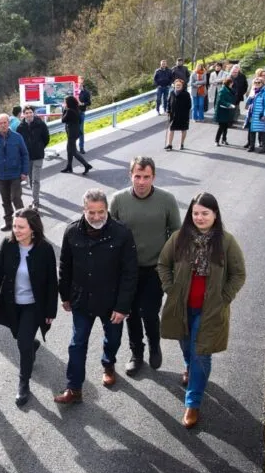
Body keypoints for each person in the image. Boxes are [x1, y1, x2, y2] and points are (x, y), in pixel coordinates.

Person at [157, 192, 246, 429]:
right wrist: (170, 288)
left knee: (200, 352)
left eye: (205, 213)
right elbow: (163, 264)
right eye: (195, 213)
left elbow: (239, 274)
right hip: (183, 307)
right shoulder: (179, 238)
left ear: (215, 215)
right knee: (186, 345)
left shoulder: (227, 242)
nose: (199, 217)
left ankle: (192, 403)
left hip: (210, 311)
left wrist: (224, 297)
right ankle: (189, 367)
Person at [54, 189, 138, 404]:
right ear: (84, 210)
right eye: (91, 212)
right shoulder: (72, 232)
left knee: (114, 339)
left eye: (101, 212)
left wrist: (122, 306)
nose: (97, 217)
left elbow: (130, 273)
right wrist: (65, 295)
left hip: (112, 302)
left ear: (107, 210)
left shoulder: (122, 233)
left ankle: (108, 364)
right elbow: (65, 266)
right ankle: (74, 389)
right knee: (76, 343)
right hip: (82, 299)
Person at [110, 157, 181, 376]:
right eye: (137, 176)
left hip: (155, 268)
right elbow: (111, 234)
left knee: (149, 311)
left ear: (154, 177)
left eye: (146, 177)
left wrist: (169, 264)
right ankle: (136, 353)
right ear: (130, 175)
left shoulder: (167, 199)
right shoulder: (119, 200)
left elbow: (176, 234)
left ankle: (154, 344)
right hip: (127, 270)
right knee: (130, 313)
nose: (141, 182)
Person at [0, 208, 58, 406]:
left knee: (22, 343)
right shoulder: (8, 245)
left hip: (34, 306)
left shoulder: (45, 249)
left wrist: (51, 311)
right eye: (14, 226)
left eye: (21, 227)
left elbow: (52, 282)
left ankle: (23, 382)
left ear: (33, 229)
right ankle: (31, 345)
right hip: (12, 304)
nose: (15, 230)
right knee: (21, 338)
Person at [0, 113, 30, 231]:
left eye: (5, 122)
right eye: (1, 123)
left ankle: (24, 222)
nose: (3, 125)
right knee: (5, 200)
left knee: (16, 198)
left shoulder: (17, 137)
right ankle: (9, 223)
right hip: (1, 175)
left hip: (15, 174)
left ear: (8, 123)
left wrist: (24, 172)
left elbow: (25, 155)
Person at [18, 105, 50, 210]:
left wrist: (40, 147)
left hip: (38, 156)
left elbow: (46, 138)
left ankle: (35, 202)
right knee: (31, 178)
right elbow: (19, 142)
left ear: (33, 113)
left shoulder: (40, 124)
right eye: (26, 113)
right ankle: (35, 198)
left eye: (30, 112)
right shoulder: (20, 127)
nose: (29, 115)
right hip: (27, 157)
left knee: (35, 180)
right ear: (23, 114)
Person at [61, 95, 93, 175]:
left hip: (72, 133)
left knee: (73, 151)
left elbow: (63, 120)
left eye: (65, 102)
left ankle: (86, 165)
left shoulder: (69, 111)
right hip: (75, 132)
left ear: (68, 103)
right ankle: (69, 166)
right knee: (69, 149)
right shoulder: (76, 109)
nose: (64, 103)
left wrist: (64, 109)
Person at [244, 77, 265, 153]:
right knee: (252, 130)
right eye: (255, 83)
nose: (257, 84)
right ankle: (251, 146)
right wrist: (249, 99)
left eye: (259, 82)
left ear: (262, 83)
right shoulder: (253, 91)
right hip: (252, 114)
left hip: (260, 115)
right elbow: (248, 102)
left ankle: (264, 147)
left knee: (261, 131)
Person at [165, 79, 192, 151]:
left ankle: (181, 144)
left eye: (179, 85)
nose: (178, 86)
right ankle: (169, 144)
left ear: (182, 86)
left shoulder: (186, 94)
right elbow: (168, 102)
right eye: (176, 85)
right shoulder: (171, 93)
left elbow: (189, 105)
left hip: (183, 116)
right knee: (171, 129)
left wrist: (185, 112)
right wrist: (168, 110)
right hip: (173, 115)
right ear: (174, 85)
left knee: (183, 129)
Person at [213, 77, 236, 147]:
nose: (232, 84)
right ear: (229, 83)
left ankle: (224, 139)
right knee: (221, 127)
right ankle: (216, 140)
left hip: (226, 111)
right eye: (232, 83)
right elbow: (221, 101)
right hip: (221, 111)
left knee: (226, 126)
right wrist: (229, 104)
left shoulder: (228, 89)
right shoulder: (222, 90)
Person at [78, 84, 92, 153]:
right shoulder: (71, 91)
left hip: (81, 113)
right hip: (72, 114)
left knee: (80, 131)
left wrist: (82, 104)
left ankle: (81, 147)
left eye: (80, 84)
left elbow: (89, 102)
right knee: (72, 132)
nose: (78, 85)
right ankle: (73, 148)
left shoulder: (86, 92)